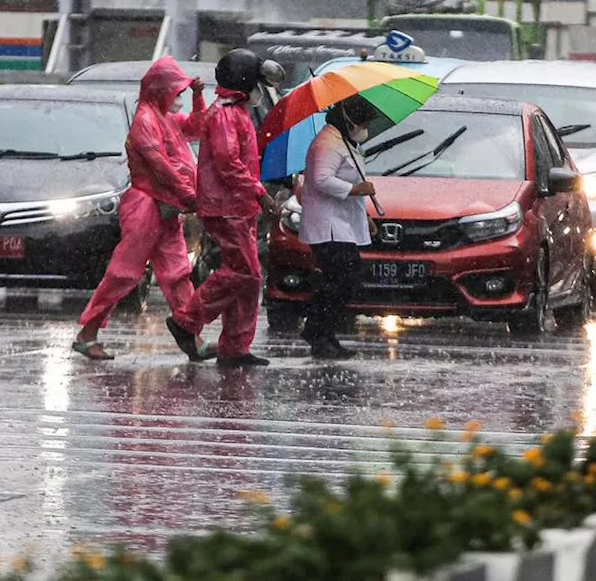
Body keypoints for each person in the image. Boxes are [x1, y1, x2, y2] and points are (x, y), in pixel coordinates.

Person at [73, 57, 211, 361]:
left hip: (167, 206)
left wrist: (199, 97)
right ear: (162, 90)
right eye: (177, 92)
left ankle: (193, 336)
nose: (180, 99)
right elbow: (160, 166)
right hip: (146, 205)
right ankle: (87, 334)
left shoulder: (164, 118)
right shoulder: (145, 121)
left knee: (177, 272)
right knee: (124, 273)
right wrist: (189, 194)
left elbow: (198, 127)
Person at [167, 49, 279, 368]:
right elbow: (229, 165)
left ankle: (235, 347)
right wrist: (262, 195)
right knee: (244, 271)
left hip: (240, 207)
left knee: (250, 278)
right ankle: (187, 320)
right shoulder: (224, 115)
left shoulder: (237, 111)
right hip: (226, 207)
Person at [298, 96, 379, 359]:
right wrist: (356, 189)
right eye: (363, 122)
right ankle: (316, 329)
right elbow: (321, 180)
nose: (364, 128)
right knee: (341, 278)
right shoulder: (327, 144)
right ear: (349, 120)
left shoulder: (344, 142)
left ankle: (324, 332)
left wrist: (363, 215)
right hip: (328, 225)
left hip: (341, 223)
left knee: (343, 279)